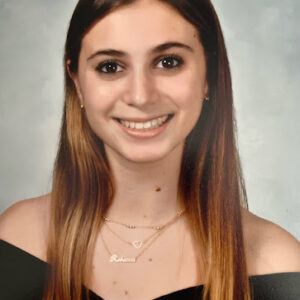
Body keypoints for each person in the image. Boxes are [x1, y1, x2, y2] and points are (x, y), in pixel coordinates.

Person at [0, 0, 299, 299]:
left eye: (168, 62)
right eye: (110, 66)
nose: (141, 96)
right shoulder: (14, 240)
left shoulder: (279, 265)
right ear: (77, 82)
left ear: (209, 73)